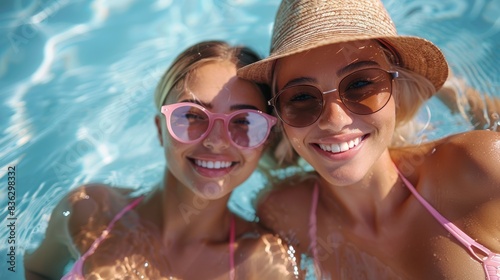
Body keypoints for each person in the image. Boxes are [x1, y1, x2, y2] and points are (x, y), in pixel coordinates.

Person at [237, 0, 500, 279]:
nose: (334, 120)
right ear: (278, 116)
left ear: (396, 90)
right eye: (301, 97)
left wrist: (457, 92)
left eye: (360, 84)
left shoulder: (478, 167)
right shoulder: (286, 213)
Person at [24, 41, 299, 280]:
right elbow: (36, 271)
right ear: (160, 129)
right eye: (192, 116)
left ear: (264, 142)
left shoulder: (263, 264)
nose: (216, 140)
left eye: (244, 122)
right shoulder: (88, 211)